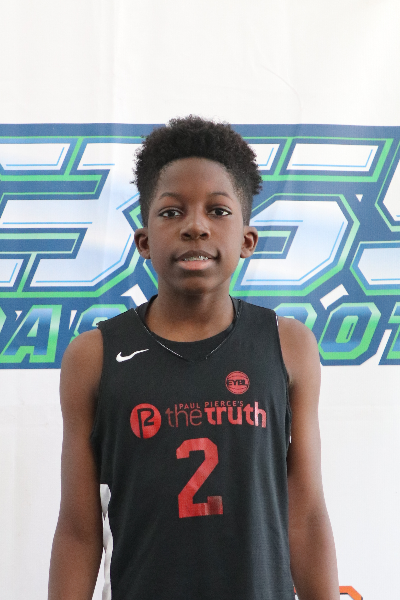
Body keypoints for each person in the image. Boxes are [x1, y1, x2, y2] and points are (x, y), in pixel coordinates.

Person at [48, 116, 340, 600]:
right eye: (171, 212)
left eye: (218, 211)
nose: (196, 227)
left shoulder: (288, 346)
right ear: (144, 241)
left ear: (247, 241)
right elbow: (79, 530)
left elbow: (305, 516)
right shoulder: (93, 357)